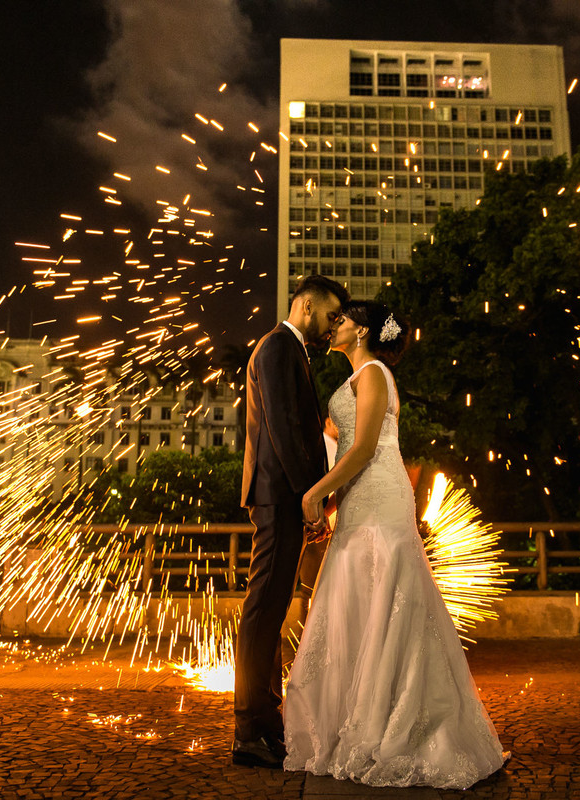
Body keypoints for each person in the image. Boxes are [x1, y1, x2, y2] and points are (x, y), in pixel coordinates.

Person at [283, 301, 507, 789]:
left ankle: (399, 723)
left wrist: (317, 493)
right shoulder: (353, 379)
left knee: (389, 591)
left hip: (380, 496)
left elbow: (363, 448)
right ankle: (355, 716)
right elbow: (336, 446)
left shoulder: (376, 373)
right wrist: (328, 500)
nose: (333, 324)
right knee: (355, 597)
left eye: (341, 319)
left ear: (361, 329)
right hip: (358, 499)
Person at [233, 274, 349, 769]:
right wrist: (312, 497)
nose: (333, 327)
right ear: (305, 306)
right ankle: (250, 730)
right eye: (329, 316)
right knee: (263, 610)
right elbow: (284, 430)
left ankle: (265, 723)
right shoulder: (279, 347)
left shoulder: (288, 348)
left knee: (272, 609)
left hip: (283, 497)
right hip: (280, 498)